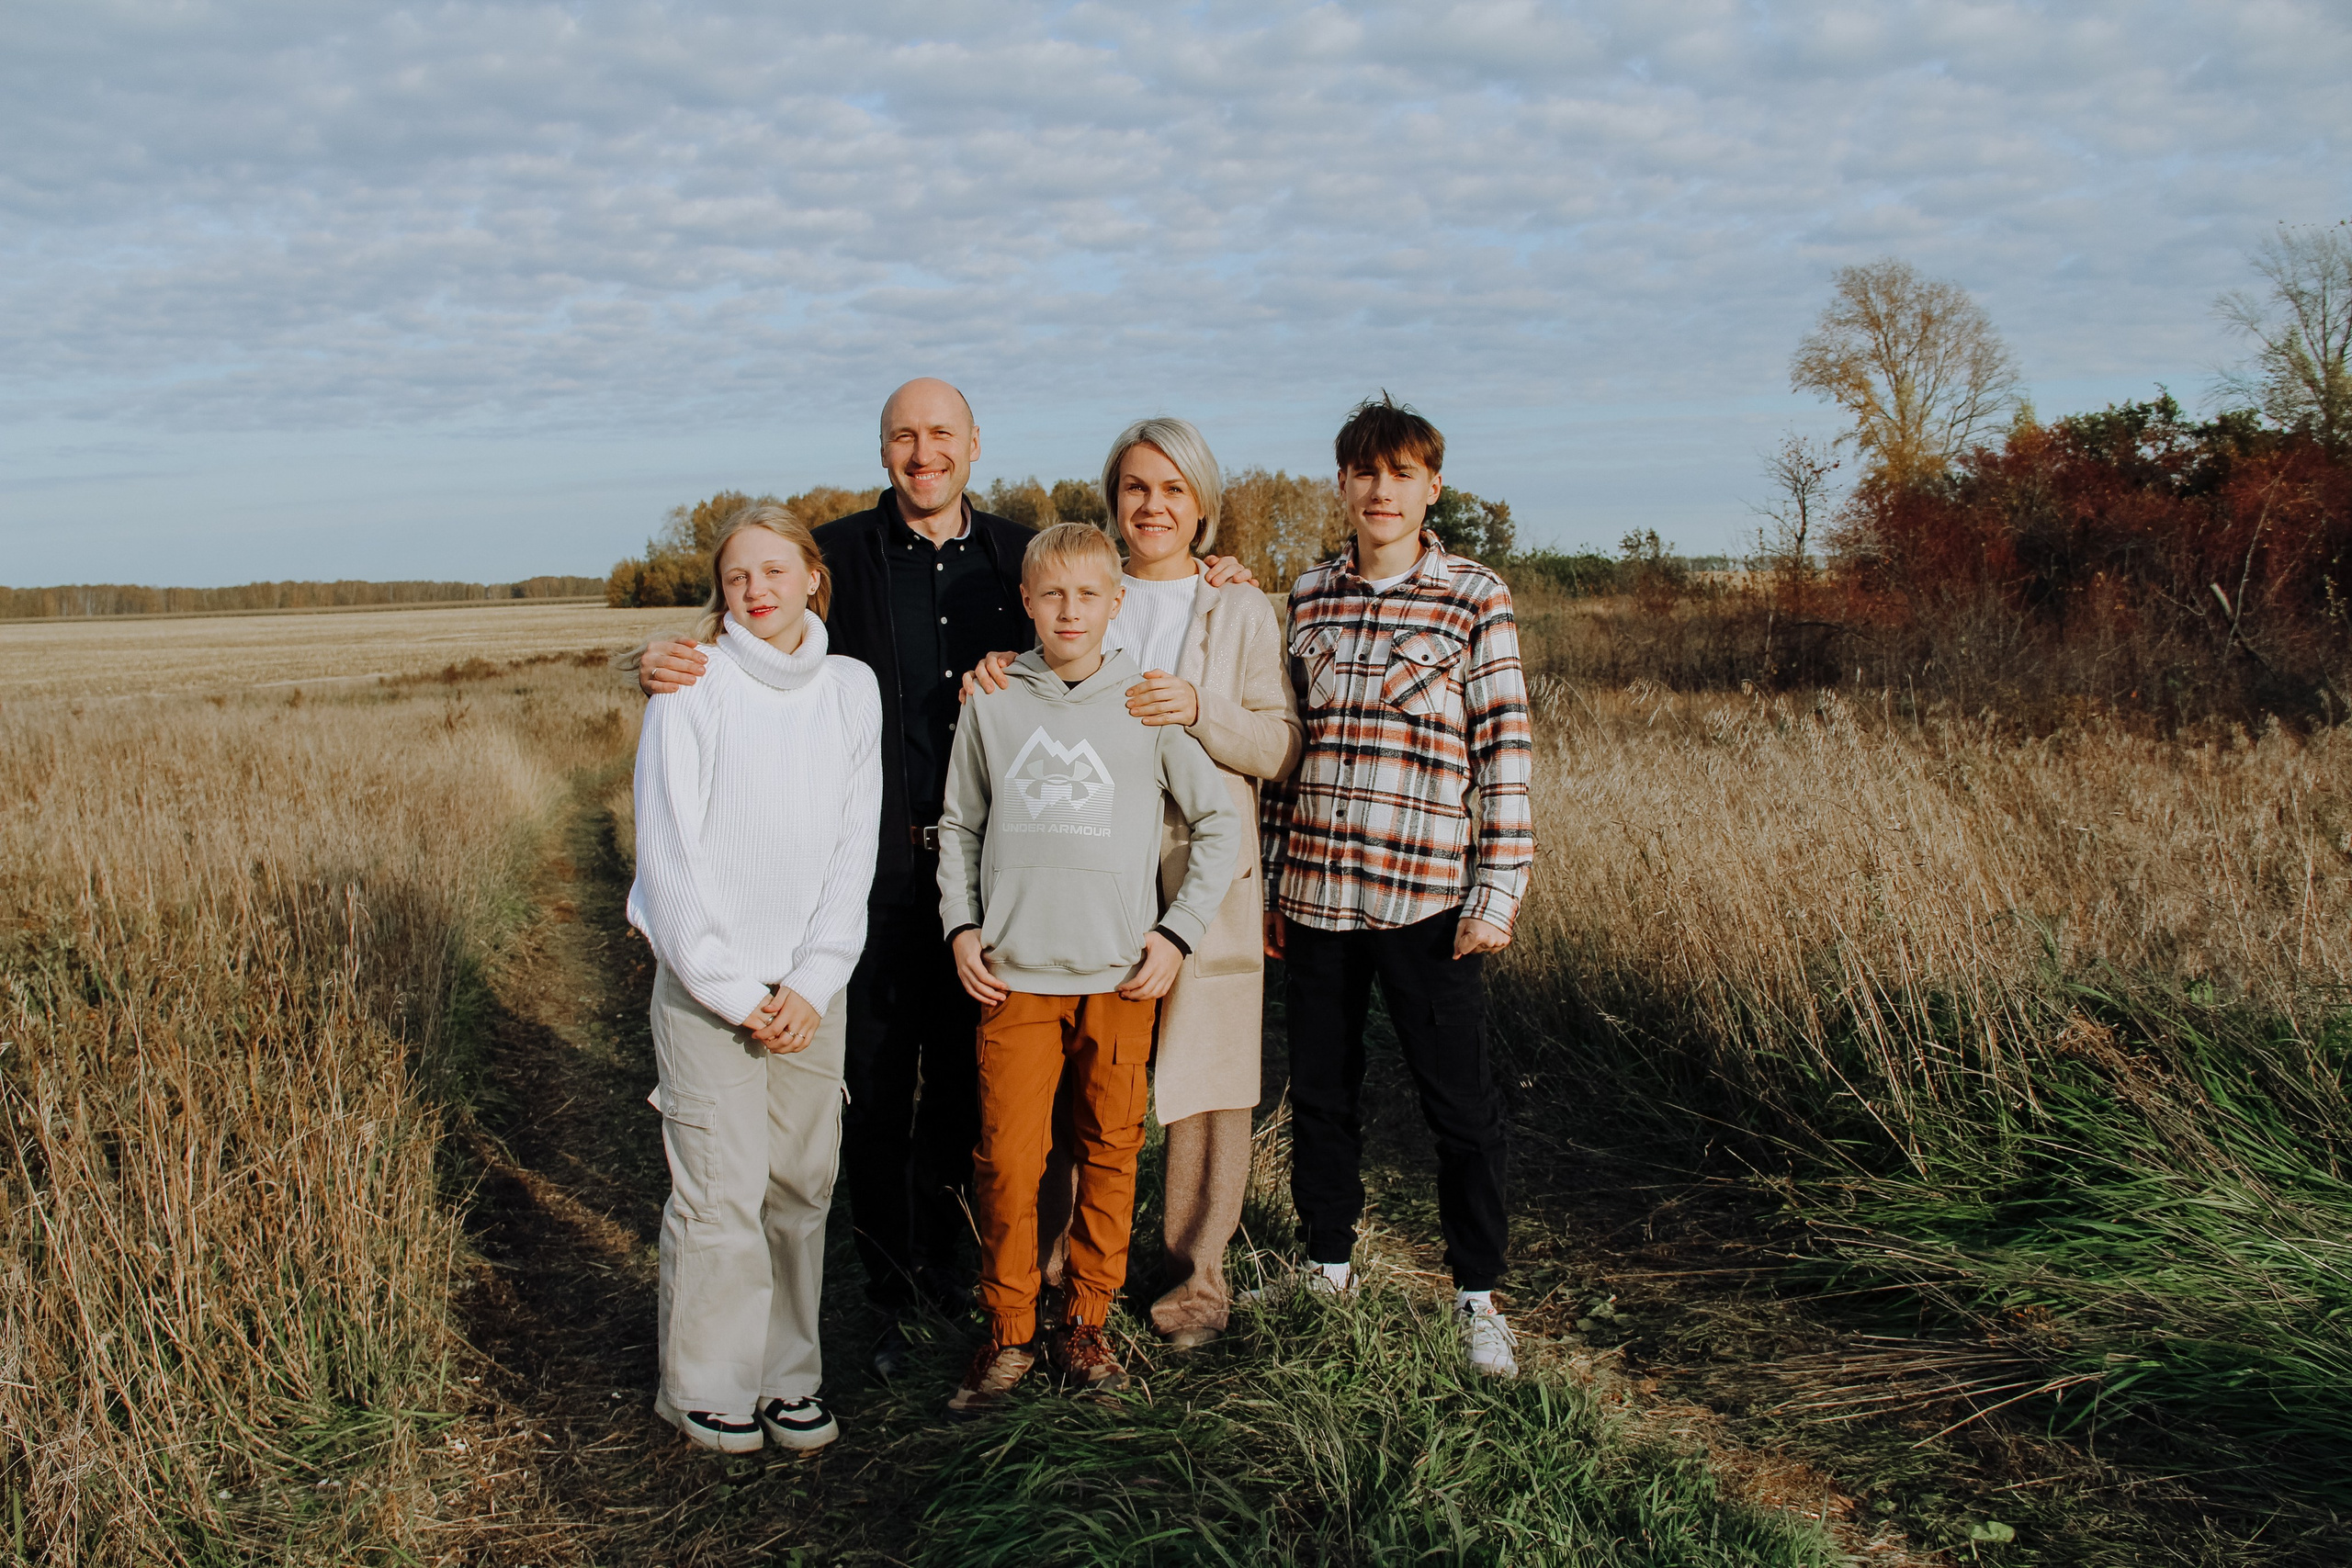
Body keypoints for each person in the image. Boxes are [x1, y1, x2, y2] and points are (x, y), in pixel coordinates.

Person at [637, 379, 1260, 1380]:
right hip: (874, 871)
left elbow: (1118, 581)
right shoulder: (834, 551)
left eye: (940, 435)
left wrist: (1212, 566)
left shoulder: (1023, 553)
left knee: (981, 1107)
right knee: (878, 1092)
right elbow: (755, 622)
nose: (922, 453)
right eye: (902, 437)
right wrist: (668, 655)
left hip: (1005, 885)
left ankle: (992, 1287)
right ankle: (892, 1294)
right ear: (883, 449)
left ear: (974, 445)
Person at [967, 418, 1300, 1348]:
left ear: (1202, 504)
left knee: (1204, 1087)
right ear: (1113, 500)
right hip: (1085, 872)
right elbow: (1036, 690)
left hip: (1202, 874)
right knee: (1080, 1076)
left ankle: (1194, 1285)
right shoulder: (1086, 590)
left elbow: (1280, 746)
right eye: (1135, 489)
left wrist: (1202, 711)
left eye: (1173, 491)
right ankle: (1053, 1278)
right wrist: (994, 668)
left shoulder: (1235, 607)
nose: (1152, 507)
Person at [934, 523, 1245, 1416]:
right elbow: (958, 825)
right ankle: (1007, 1330)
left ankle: (1087, 1322)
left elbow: (1216, 824)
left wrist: (1176, 933)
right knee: (1007, 1160)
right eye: (1051, 595)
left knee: (1110, 1153)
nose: (1069, 611)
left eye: (1088, 595)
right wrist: (961, 926)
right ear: (1025, 603)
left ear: (1117, 605)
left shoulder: (1142, 705)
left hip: (1118, 977)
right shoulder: (993, 704)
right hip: (1014, 975)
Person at [1261, 394, 1535, 1378]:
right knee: (1322, 1095)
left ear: (1431, 487)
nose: (1382, 490)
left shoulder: (1473, 596)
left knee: (1457, 1106)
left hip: (1426, 898)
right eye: (1364, 473)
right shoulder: (1306, 597)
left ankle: (1477, 1297)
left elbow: (1503, 747)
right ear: (1341, 484)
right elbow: (1285, 750)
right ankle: (1327, 1266)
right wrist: (1268, 882)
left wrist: (1495, 889)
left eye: (1401, 473)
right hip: (1317, 897)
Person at [627, 504, 882, 1451]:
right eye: (739, 578)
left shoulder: (851, 690)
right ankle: (707, 1382)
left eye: (777, 571)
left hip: (814, 987)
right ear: (721, 592)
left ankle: (788, 1374)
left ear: (813, 577)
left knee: (802, 1184)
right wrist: (737, 993)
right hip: (711, 989)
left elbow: (855, 847)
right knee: (720, 1189)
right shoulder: (691, 686)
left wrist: (813, 983)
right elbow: (669, 861)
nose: (758, 591)